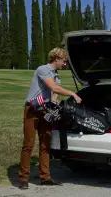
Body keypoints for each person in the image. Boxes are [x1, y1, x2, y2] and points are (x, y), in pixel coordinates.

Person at [18, 47, 82, 190]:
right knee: (28, 144)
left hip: (45, 110)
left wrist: (55, 105)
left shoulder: (56, 75)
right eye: (64, 61)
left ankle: (45, 177)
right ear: (56, 58)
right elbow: (53, 87)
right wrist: (72, 93)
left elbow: (54, 94)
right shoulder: (43, 70)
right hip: (32, 109)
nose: (64, 64)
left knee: (46, 144)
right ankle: (23, 178)